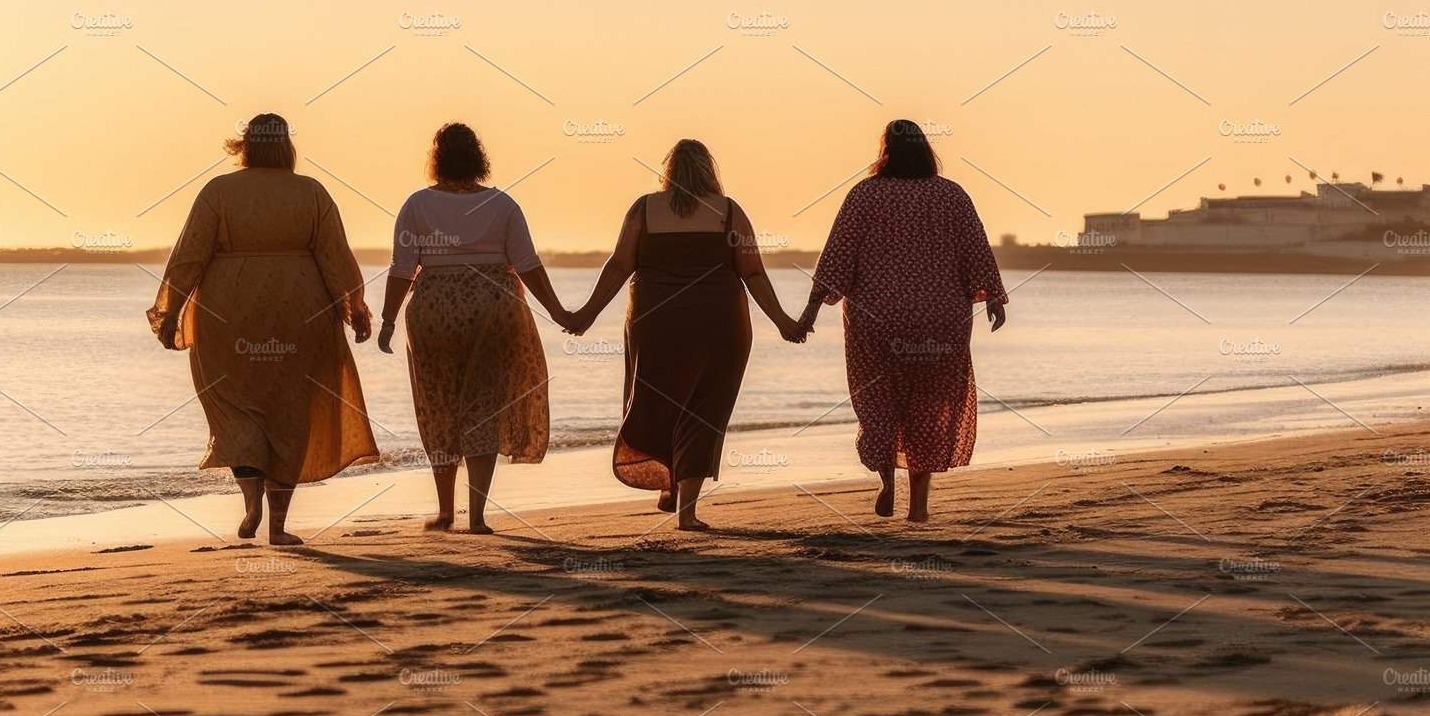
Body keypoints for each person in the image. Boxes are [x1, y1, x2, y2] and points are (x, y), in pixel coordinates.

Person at [149, 113, 378, 545]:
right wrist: (356, 308)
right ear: (287, 147)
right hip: (300, 313)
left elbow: (188, 257)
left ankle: (250, 500)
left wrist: (169, 312)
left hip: (227, 314)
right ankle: (277, 525)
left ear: (246, 145)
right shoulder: (311, 192)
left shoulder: (218, 192)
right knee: (292, 414)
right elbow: (335, 257)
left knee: (236, 410)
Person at [567, 140, 805, 531]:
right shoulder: (728, 211)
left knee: (656, 399)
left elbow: (618, 265)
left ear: (669, 171)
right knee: (704, 409)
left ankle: (668, 484)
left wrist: (586, 315)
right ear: (709, 171)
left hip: (655, 321)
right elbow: (753, 272)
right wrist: (782, 321)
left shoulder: (644, 208)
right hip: (719, 323)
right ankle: (687, 511)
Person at [797, 119, 1008, 524]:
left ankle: (887, 480)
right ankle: (919, 507)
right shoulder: (952, 196)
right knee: (929, 409)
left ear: (886, 151)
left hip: (876, 322)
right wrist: (996, 299)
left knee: (878, 404)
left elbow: (836, 258)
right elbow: (977, 251)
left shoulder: (865, 195)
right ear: (926, 149)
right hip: (939, 322)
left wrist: (809, 313)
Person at [378, 123, 571, 534]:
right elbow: (528, 264)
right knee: (484, 406)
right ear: (479, 157)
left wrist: (388, 320)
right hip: (493, 307)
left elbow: (401, 268)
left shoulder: (417, 204)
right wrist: (557, 311)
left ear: (437, 159)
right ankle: (478, 517)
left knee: (439, 405)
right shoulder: (502, 205)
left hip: (434, 313)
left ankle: (446, 511)